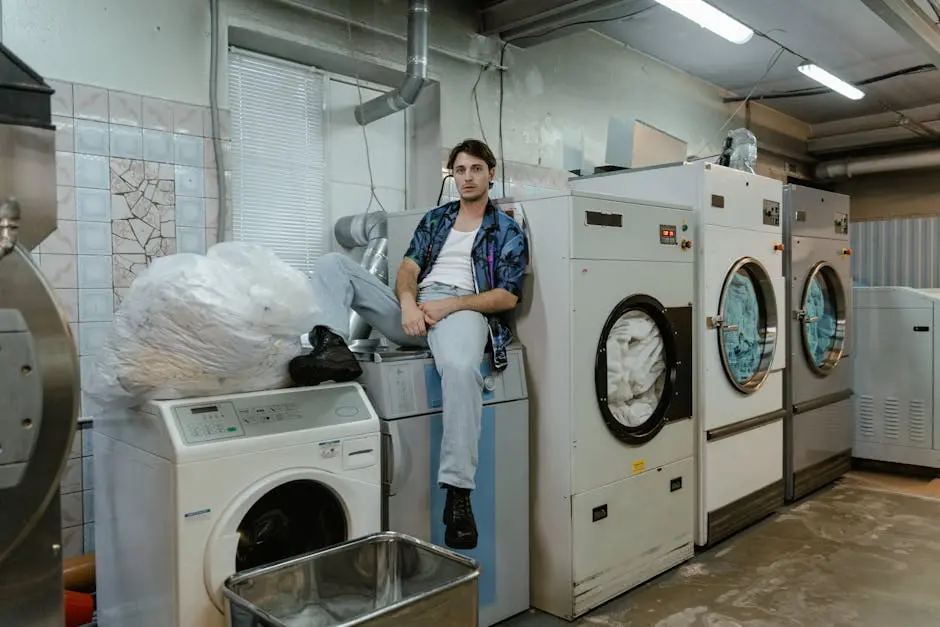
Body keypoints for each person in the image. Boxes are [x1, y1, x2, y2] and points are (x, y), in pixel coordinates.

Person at [289, 138, 529, 550]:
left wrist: (449, 305)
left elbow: (507, 296)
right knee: (332, 264)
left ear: (490, 173)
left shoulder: (505, 229)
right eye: (460, 170)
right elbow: (407, 268)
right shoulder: (436, 220)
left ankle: (458, 495)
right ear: (452, 176)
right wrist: (407, 305)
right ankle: (330, 346)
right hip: (417, 310)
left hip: (464, 310)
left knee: (458, 369)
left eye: (475, 169)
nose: (467, 177)